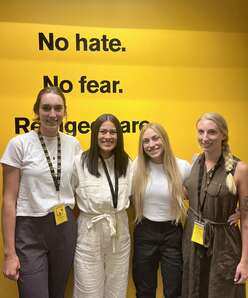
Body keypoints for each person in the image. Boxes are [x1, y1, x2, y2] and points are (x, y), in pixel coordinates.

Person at [1, 86, 81, 298]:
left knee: (57, 294)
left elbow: (78, 190)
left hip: (64, 228)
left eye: (58, 108)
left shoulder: (73, 145)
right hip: (29, 230)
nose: (52, 114)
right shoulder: (18, 145)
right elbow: (8, 200)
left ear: (65, 112)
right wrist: (9, 253)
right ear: (37, 111)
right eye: (46, 108)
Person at [182, 112, 248, 298]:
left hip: (224, 246)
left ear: (223, 135)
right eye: (201, 131)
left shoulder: (239, 168)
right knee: (194, 290)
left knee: (221, 291)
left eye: (211, 132)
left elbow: (246, 221)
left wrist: (245, 262)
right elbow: (189, 193)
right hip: (194, 241)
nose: (204, 137)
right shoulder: (196, 161)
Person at [73, 113, 132, 298]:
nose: (108, 136)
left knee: (117, 287)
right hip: (90, 229)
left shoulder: (126, 163)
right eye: (103, 131)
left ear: (119, 136)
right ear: (94, 134)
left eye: (113, 132)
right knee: (88, 288)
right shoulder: (80, 162)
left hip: (118, 228)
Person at [132, 122, 191, 298]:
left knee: (174, 290)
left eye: (156, 138)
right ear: (142, 146)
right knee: (144, 290)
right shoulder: (137, 166)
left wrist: (237, 211)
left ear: (164, 139)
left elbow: (201, 196)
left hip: (173, 233)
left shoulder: (183, 167)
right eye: (146, 141)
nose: (152, 144)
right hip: (145, 231)